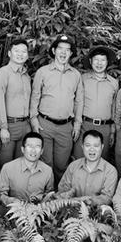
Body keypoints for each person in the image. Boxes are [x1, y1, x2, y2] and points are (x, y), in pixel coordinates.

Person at [29, 35, 84, 184]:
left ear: (71, 53)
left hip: (66, 127)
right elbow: (35, 96)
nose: (63, 53)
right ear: (54, 51)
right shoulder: (43, 72)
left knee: (61, 165)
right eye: (60, 48)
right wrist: (33, 119)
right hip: (44, 124)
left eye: (67, 50)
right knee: (45, 163)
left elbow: (79, 101)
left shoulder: (76, 75)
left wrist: (77, 123)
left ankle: (60, 194)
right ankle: (45, 193)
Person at [73, 46, 119, 160]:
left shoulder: (114, 83)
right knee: (79, 158)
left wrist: (112, 131)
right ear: (90, 61)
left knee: (101, 160)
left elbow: (114, 107)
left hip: (105, 127)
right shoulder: (82, 79)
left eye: (103, 60)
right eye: (96, 60)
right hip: (85, 125)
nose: (99, 63)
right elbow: (76, 102)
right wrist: (76, 125)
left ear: (107, 62)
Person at [0, 38, 32, 174]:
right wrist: (3, 128)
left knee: (21, 164)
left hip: (25, 125)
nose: (20, 54)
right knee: (5, 164)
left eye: (24, 51)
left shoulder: (26, 76)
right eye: (16, 51)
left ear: (27, 55)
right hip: (9, 125)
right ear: (9, 53)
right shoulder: (2, 73)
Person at [56, 130, 118, 205]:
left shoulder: (110, 171)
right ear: (82, 146)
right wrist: (68, 196)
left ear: (102, 147)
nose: (92, 149)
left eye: (96, 146)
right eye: (88, 145)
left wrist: (86, 201)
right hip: (71, 208)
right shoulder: (73, 166)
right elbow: (62, 191)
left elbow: (107, 198)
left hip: (97, 210)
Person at [0, 132, 54, 209]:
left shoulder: (48, 170)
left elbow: (50, 196)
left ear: (42, 151)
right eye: (29, 146)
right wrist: (10, 201)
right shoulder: (8, 168)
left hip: (37, 211)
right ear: (23, 149)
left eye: (37, 147)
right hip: (13, 211)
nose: (33, 150)